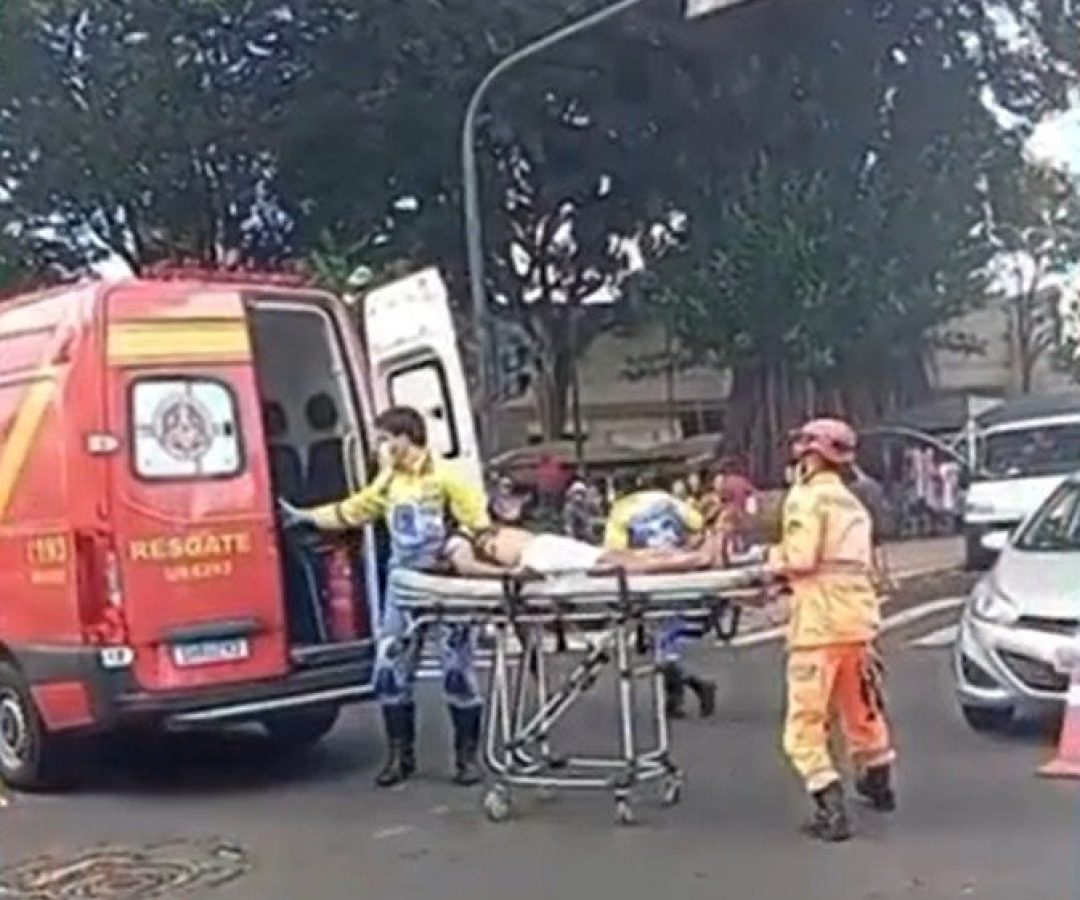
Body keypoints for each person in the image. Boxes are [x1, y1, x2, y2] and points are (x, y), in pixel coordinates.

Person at [283, 406, 490, 789]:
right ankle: (400, 756)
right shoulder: (389, 481)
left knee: (457, 672)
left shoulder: (448, 477)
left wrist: (462, 548)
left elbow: (478, 525)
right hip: (403, 585)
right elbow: (356, 509)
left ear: (403, 438)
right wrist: (307, 517)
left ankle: (466, 758)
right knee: (390, 670)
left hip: (447, 586)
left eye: (384, 439)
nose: (379, 447)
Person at [768, 417, 897, 843]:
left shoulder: (807, 499)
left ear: (811, 455)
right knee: (863, 707)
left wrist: (770, 562)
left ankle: (830, 807)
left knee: (805, 723)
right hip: (857, 621)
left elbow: (801, 558)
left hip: (818, 624)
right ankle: (879, 785)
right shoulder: (852, 502)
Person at [605, 486, 718, 719]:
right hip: (680, 576)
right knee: (665, 640)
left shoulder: (620, 512)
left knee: (662, 641)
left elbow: (615, 554)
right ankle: (681, 695)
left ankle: (687, 690)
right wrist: (685, 551)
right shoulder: (670, 501)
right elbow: (699, 528)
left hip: (650, 581)